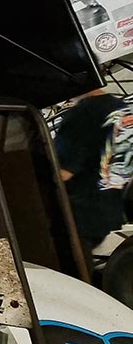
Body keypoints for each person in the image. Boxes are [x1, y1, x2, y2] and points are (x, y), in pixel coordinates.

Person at [55, 85, 133, 256]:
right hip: (109, 210)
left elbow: (62, 172)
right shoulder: (121, 108)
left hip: (77, 215)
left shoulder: (83, 113)